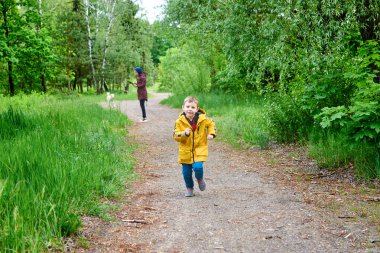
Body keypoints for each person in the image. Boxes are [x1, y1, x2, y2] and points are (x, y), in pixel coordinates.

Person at [173, 96, 216, 197]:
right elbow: (175, 135)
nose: (190, 109)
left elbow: (211, 124)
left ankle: (200, 178)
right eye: (187, 106)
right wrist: (184, 134)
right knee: (186, 173)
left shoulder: (203, 119)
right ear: (183, 107)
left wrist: (211, 134)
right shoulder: (179, 121)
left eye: (192, 107)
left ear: (197, 109)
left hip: (199, 148)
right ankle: (189, 188)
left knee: (198, 167)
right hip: (185, 151)